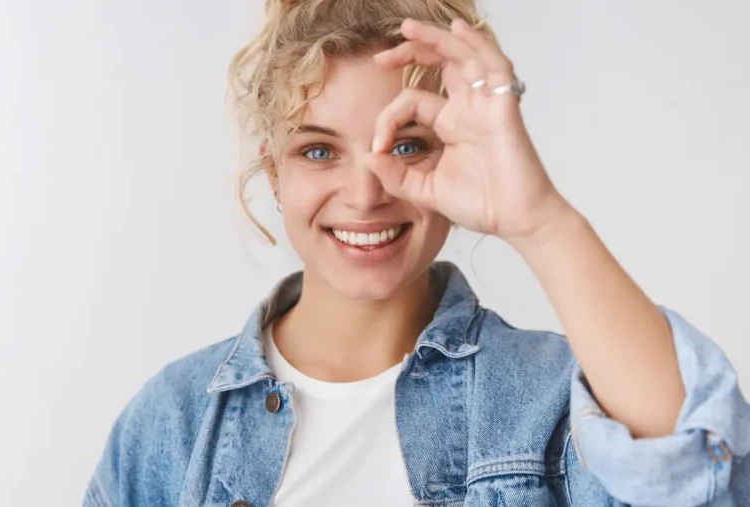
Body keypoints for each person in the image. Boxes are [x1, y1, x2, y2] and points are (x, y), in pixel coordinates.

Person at [84, 0, 750, 506]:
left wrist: (537, 218)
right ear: (273, 169)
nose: (367, 193)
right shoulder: (173, 422)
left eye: (407, 145)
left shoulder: (552, 397)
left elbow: (701, 474)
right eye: (319, 150)